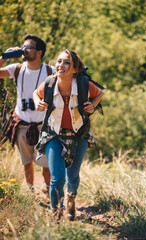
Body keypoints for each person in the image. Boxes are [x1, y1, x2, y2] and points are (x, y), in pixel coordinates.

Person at [33, 49, 103, 220]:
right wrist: (38, 103)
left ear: (75, 70)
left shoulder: (83, 84)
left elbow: (99, 93)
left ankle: (71, 197)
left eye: (66, 63)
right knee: (57, 179)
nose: (60, 65)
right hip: (54, 135)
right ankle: (56, 215)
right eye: (58, 61)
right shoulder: (49, 83)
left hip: (79, 135)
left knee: (72, 175)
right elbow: (36, 93)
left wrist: (92, 106)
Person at [0, 34, 55, 193]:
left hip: (44, 126)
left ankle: (48, 189)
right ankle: (30, 190)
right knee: (26, 161)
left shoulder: (50, 71)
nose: (24, 50)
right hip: (22, 124)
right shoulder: (16, 68)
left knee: (45, 163)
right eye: (23, 47)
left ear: (39, 52)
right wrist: (4, 56)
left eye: (28, 47)